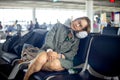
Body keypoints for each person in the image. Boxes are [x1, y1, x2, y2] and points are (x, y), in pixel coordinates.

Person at [23, 16, 91, 80]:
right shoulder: (58, 26)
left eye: (80, 26)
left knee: (53, 64)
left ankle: (33, 64)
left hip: (63, 59)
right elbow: (49, 39)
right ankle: (26, 77)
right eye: (78, 22)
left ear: (81, 31)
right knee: (41, 58)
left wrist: (59, 55)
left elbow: (72, 54)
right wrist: (50, 50)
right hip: (47, 51)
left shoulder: (76, 39)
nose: (77, 25)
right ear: (75, 19)